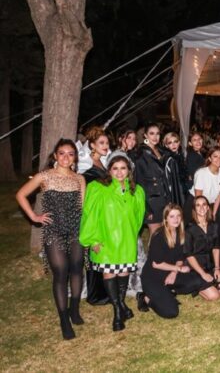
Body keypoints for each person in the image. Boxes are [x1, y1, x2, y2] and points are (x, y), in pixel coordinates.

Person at [16, 139, 86, 340]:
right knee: (60, 272)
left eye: (70, 153)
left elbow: (82, 208)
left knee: (76, 268)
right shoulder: (44, 177)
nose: (66, 157)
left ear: (75, 157)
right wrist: (34, 217)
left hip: (75, 230)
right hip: (53, 231)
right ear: (55, 156)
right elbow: (21, 194)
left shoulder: (79, 179)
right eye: (61, 153)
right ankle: (64, 319)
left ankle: (74, 309)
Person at [79, 154, 145, 331]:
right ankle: (117, 311)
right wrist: (92, 239)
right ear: (109, 170)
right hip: (105, 241)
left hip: (126, 241)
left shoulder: (136, 191)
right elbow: (89, 215)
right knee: (109, 274)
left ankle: (121, 303)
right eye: (115, 168)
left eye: (123, 168)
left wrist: (131, 234)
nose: (119, 172)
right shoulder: (98, 188)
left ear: (129, 171)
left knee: (124, 273)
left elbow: (138, 219)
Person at [138, 205, 215, 317]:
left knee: (197, 280)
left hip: (169, 272)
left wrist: (174, 273)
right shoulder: (159, 236)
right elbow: (156, 264)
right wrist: (178, 269)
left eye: (178, 216)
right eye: (172, 216)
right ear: (165, 219)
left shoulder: (181, 234)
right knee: (171, 312)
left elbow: (180, 258)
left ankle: (169, 291)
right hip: (153, 277)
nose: (176, 219)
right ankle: (145, 298)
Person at [183, 196, 220, 301]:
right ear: (194, 209)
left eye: (204, 204)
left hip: (209, 266)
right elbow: (188, 255)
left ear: (208, 207)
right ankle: (197, 287)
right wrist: (202, 274)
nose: (201, 208)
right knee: (215, 296)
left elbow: (216, 248)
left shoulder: (213, 225)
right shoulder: (189, 228)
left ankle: (209, 285)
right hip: (195, 268)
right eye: (198, 205)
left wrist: (217, 269)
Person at [133, 124, 170, 234]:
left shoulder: (160, 151)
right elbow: (139, 182)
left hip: (163, 198)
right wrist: (146, 207)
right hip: (151, 200)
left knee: (164, 233)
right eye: (151, 133)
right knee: (155, 234)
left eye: (157, 133)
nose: (155, 137)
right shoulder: (141, 154)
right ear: (145, 136)